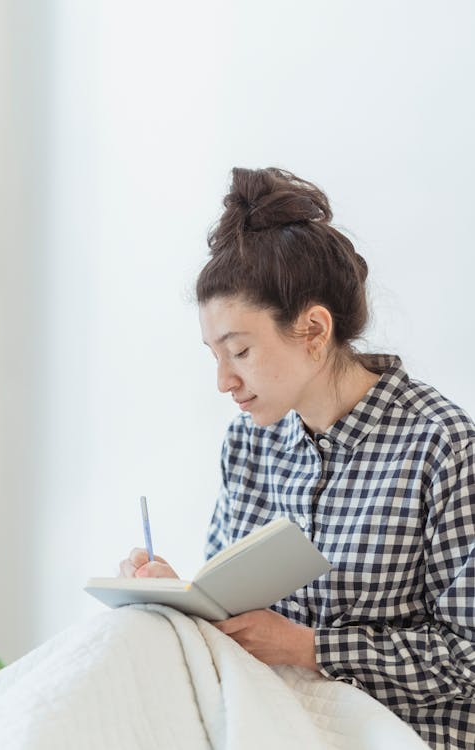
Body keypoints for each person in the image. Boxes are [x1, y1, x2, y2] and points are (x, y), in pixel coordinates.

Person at [118, 167, 475, 750]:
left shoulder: (443, 446)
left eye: (240, 351)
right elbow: (233, 617)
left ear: (313, 329)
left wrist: (309, 647)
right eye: (214, 355)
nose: (224, 381)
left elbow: (469, 657)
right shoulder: (249, 444)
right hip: (273, 725)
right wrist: (176, 595)